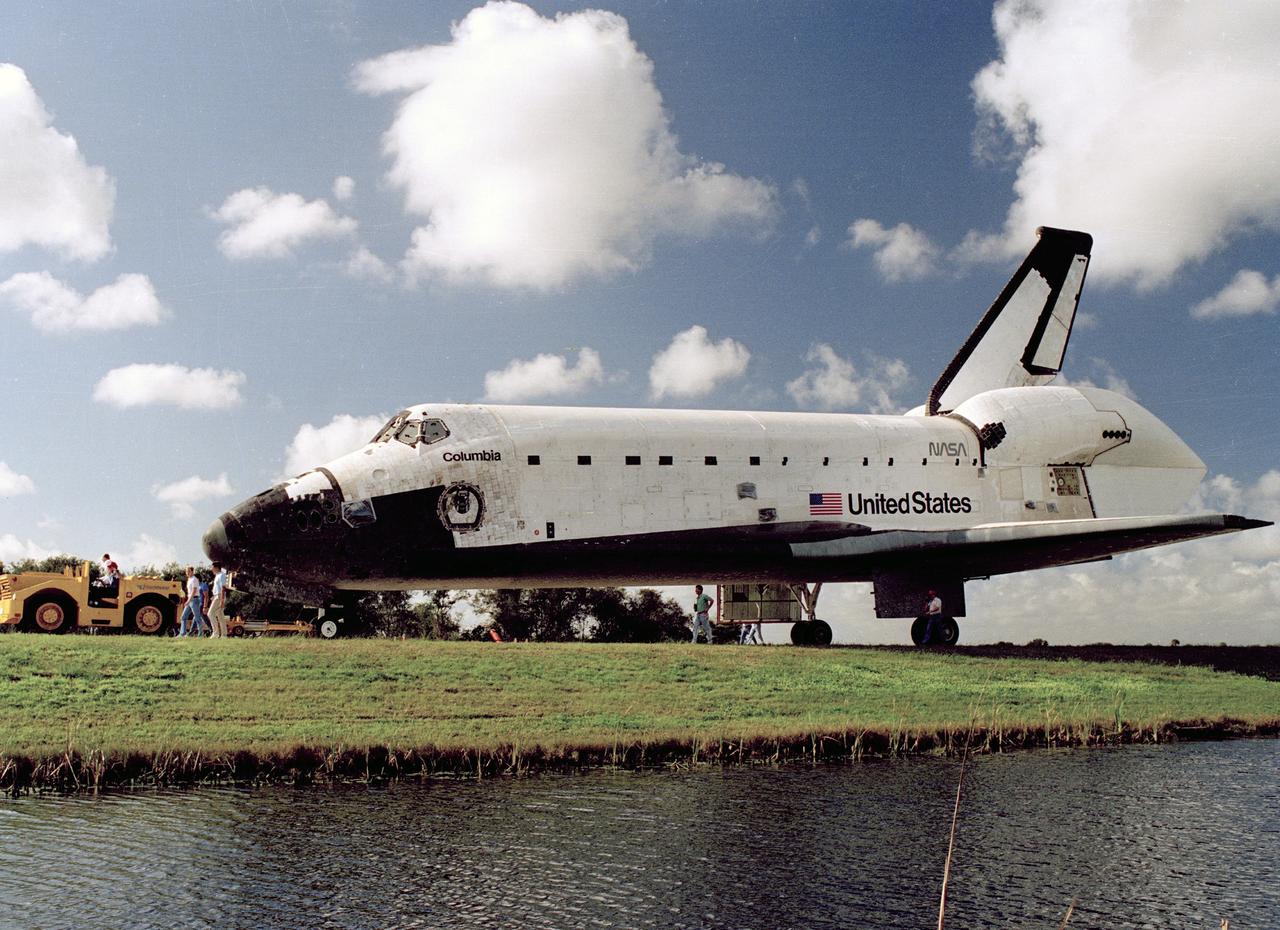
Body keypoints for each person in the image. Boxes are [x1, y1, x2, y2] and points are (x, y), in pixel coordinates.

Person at [177, 566, 205, 637]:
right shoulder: (189, 580)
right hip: (190, 600)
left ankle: (200, 634)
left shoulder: (194, 579)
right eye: (186, 571)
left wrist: (188, 600)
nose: (187, 573)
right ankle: (182, 633)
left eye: (188, 571)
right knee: (183, 617)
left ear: (192, 571)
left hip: (194, 600)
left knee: (197, 618)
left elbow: (194, 591)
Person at [208, 561, 229, 638]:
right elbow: (217, 588)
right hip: (216, 596)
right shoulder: (217, 575)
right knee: (220, 615)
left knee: (210, 613)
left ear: (216, 568)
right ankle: (224, 635)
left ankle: (216, 633)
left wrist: (222, 600)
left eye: (212, 567)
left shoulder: (222, 575)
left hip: (219, 596)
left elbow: (223, 588)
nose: (211, 569)